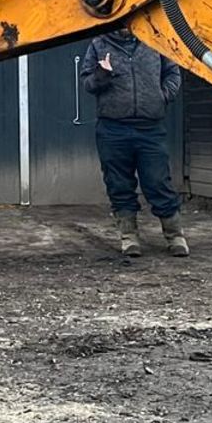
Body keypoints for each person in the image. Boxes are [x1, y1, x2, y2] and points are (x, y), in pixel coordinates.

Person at [81, 29, 187, 257]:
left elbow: (173, 73)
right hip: (112, 128)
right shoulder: (98, 44)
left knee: (158, 181)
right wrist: (102, 74)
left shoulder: (155, 39)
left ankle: (175, 235)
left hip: (150, 127)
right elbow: (88, 84)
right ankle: (129, 237)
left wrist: (162, 96)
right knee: (118, 183)